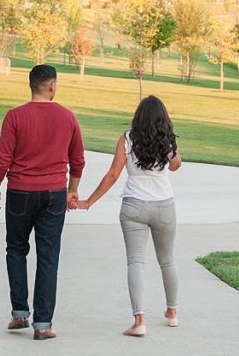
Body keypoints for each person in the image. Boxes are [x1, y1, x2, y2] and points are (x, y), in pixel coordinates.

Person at [70, 95, 181, 337]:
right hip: (164, 205)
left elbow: (113, 175)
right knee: (167, 261)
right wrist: (169, 150)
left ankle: (139, 321)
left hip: (134, 206)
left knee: (135, 262)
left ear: (138, 116)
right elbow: (176, 165)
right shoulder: (167, 139)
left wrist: (88, 202)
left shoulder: (128, 139)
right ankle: (172, 313)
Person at [0, 64, 85, 341]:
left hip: (19, 191)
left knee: (16, 249)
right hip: (54, 193)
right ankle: (43, 324)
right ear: (52, 86)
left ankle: (20, 312)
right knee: (48, 255)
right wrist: (72, 190)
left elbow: (2, 158)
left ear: (31, 85)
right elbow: (78, 159)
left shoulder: (14, 117)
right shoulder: (67, 117)